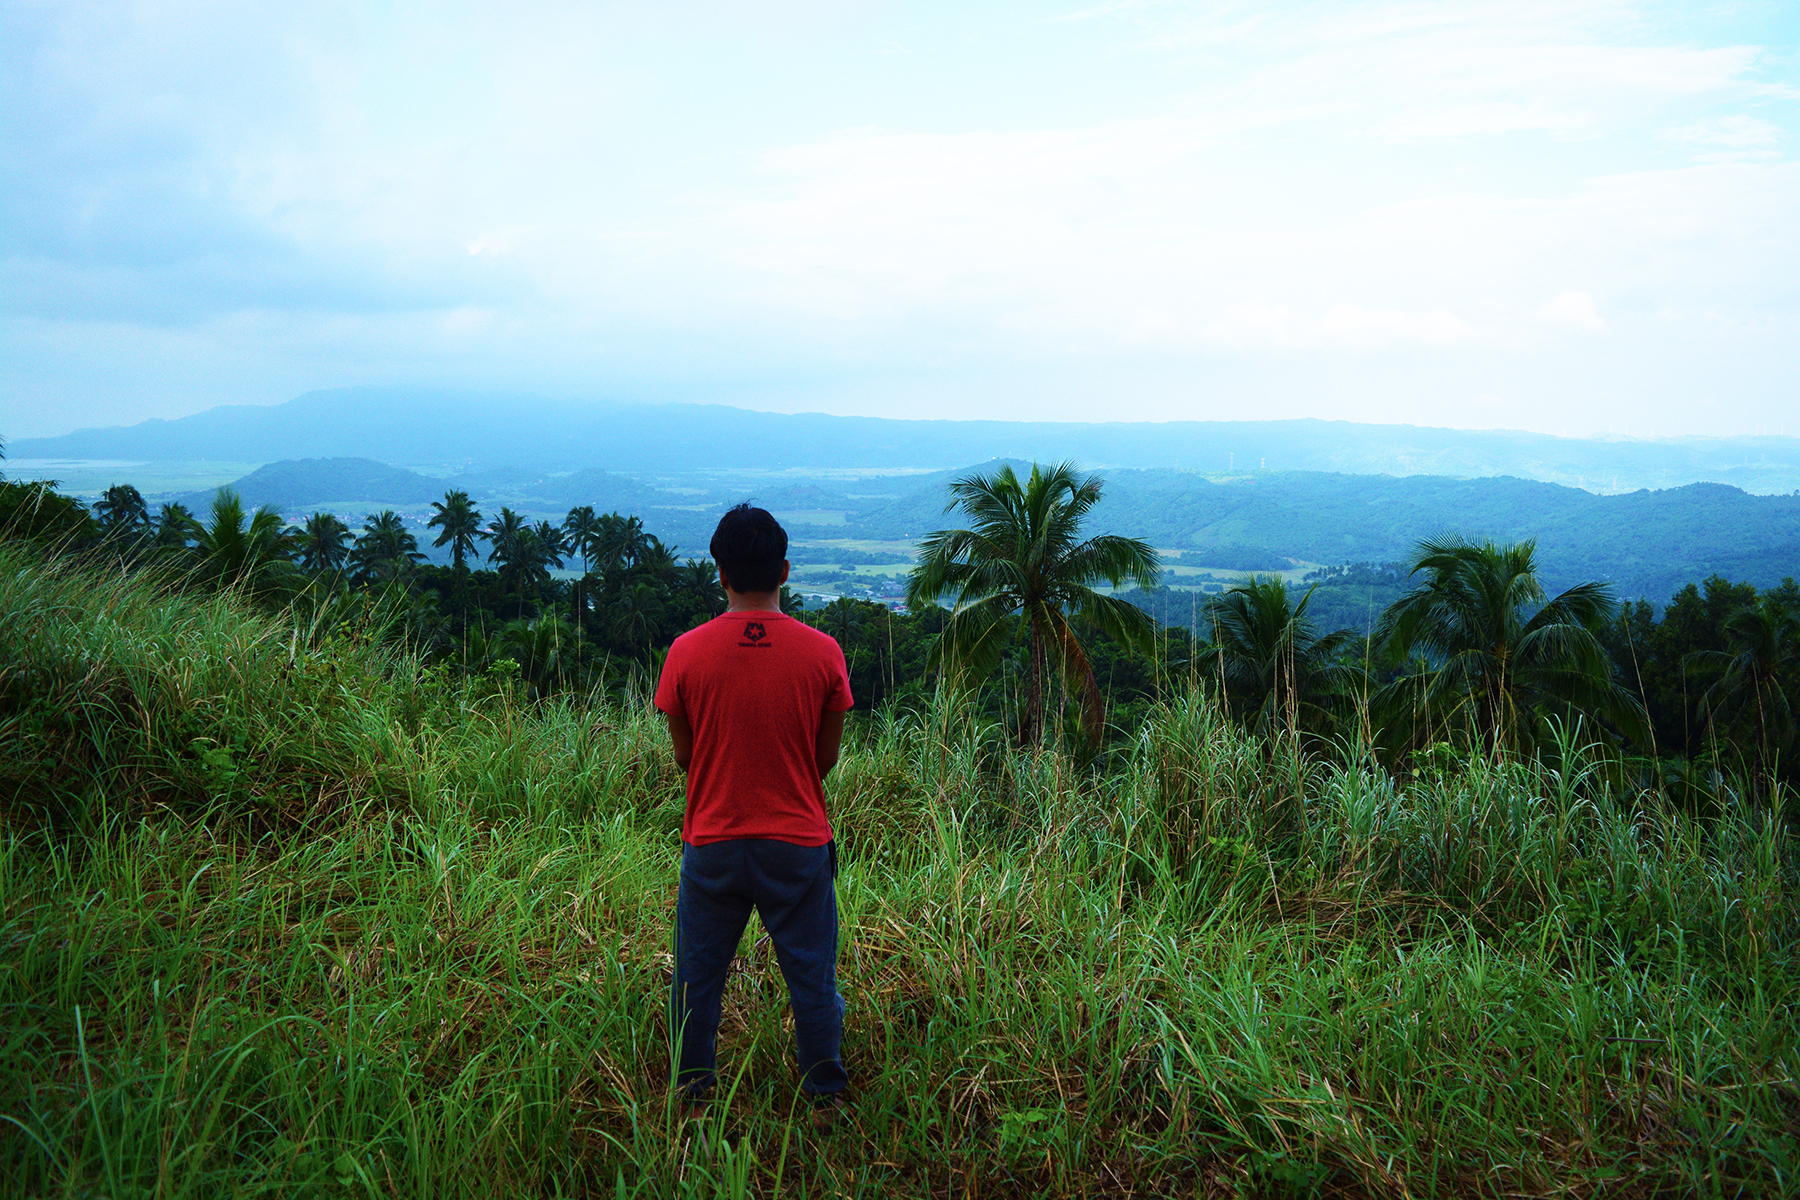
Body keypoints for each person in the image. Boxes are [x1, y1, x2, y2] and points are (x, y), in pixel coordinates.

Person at [654, 503, 854, 1129]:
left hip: (712, 838)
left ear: (721, 574)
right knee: (811, 975)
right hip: (796, 842)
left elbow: (687, 756)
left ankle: (693, 1097)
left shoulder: (686, 653)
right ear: (785, 571)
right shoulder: (824, 653)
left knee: (698, 980)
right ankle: (824, 1099)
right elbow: (824, 758)